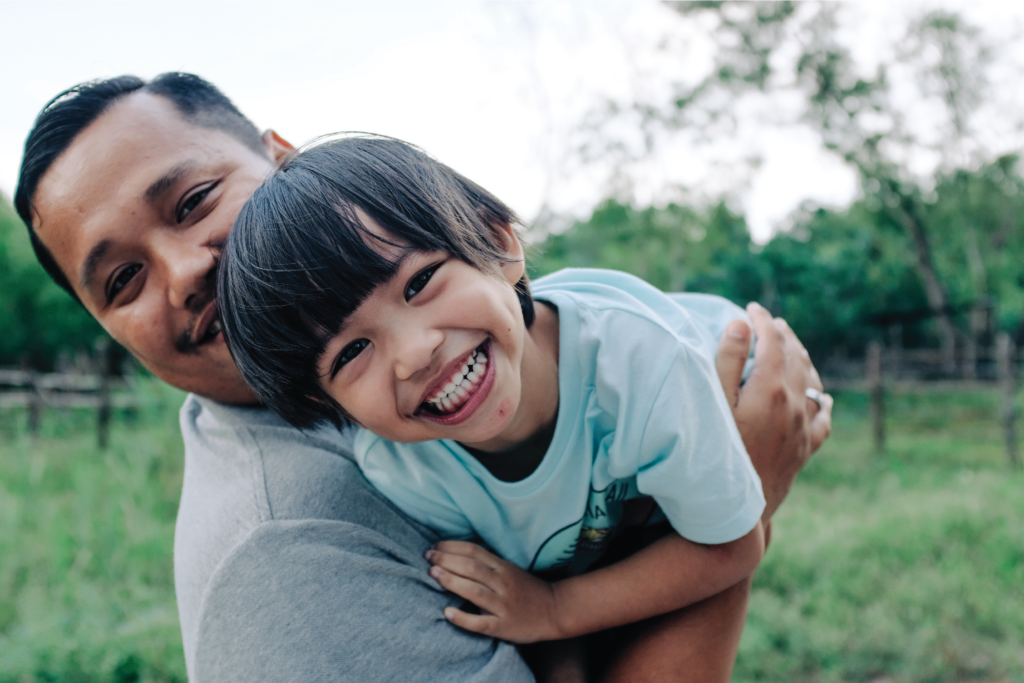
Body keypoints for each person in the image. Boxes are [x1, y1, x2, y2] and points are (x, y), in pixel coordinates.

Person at [14, 72, 832, 683]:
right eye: (122, 281)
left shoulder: (462, 381)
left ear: (287, 161)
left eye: (194, 200)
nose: (188, 269)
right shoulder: (297, 538)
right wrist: (743, 479)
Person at [218, 135, 769, 674]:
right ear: (329, 401)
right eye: (353, 350)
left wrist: (555, 612)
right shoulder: (405, 474)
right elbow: (530, 586)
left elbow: (732, 545)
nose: (414, 354)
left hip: (747, 363)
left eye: (420, 282)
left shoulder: (641, 362)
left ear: (497, 240)